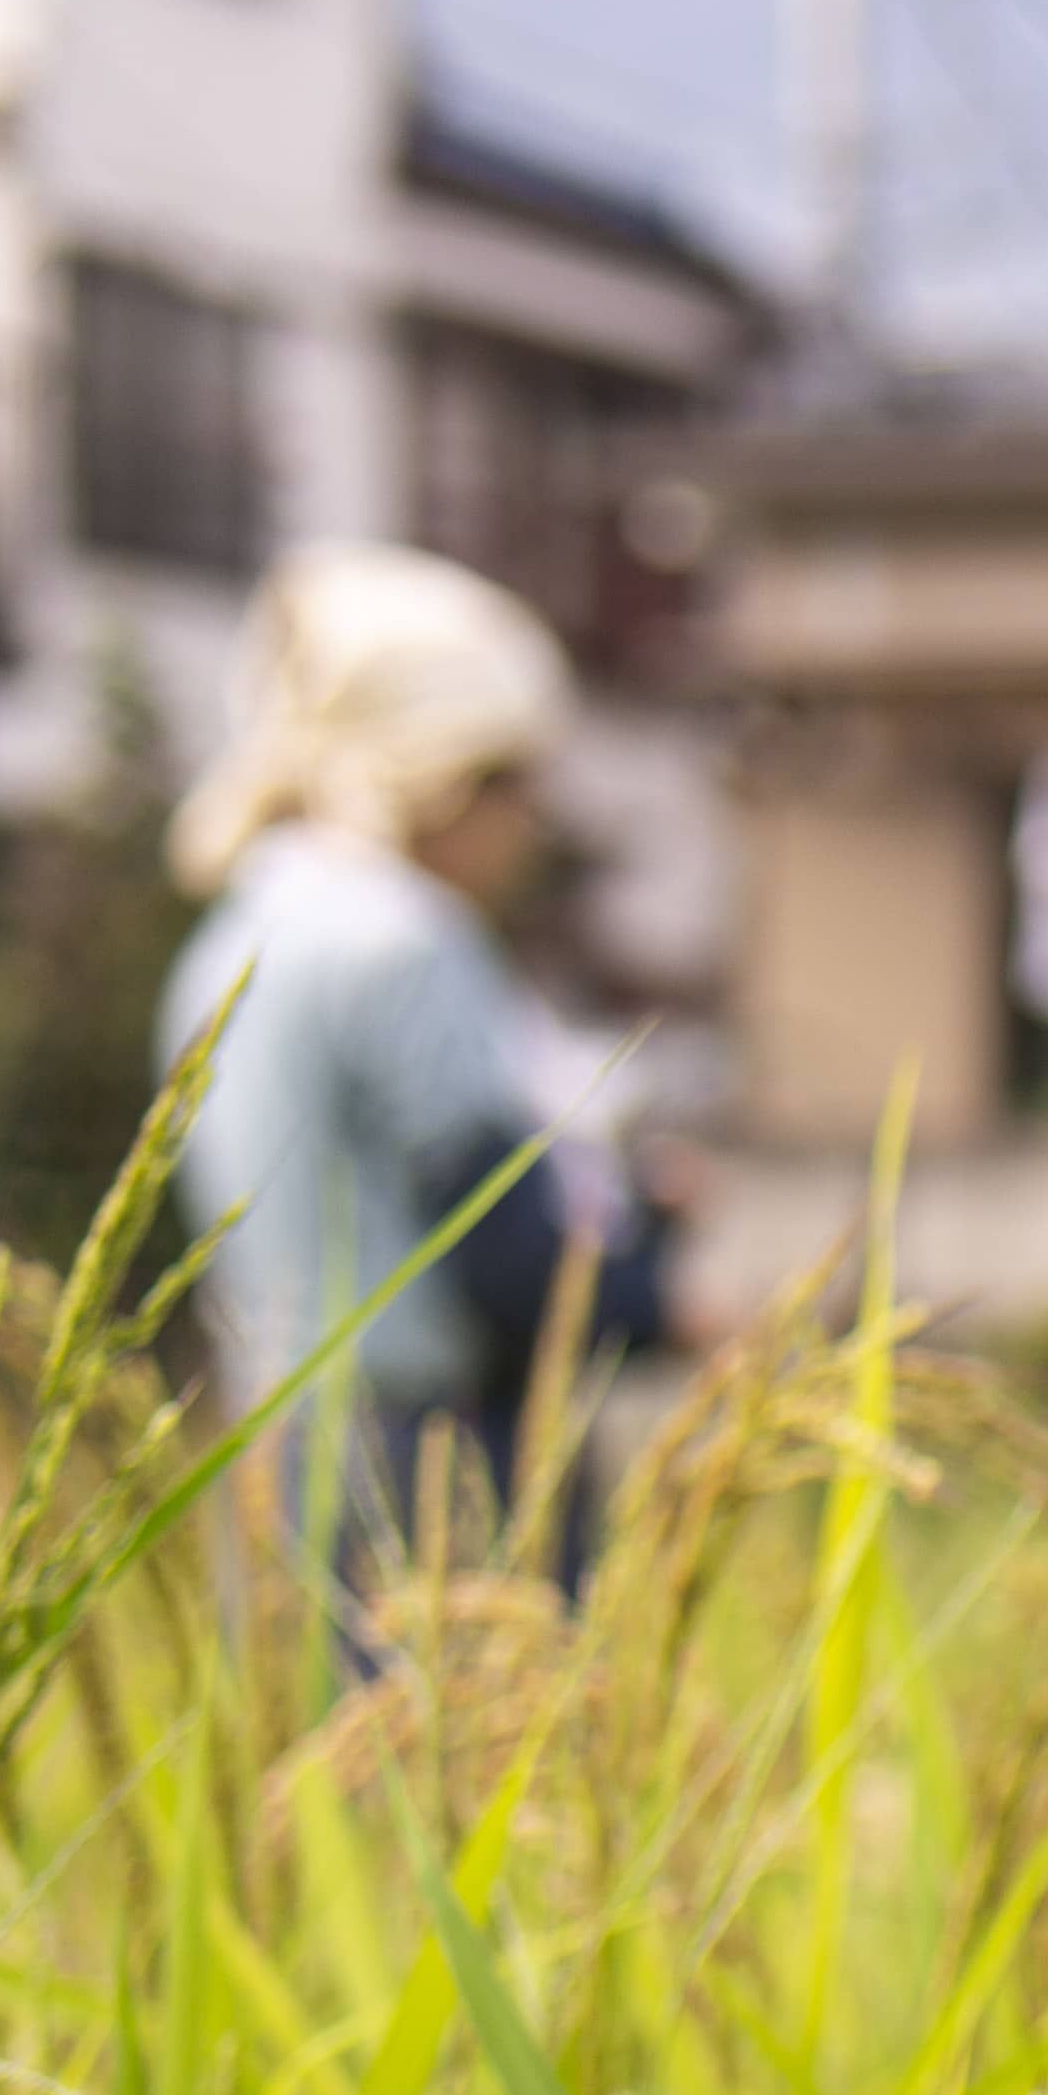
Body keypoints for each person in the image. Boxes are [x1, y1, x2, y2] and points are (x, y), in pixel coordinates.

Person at [155, 546, 639, 1596]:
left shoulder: (225, 942)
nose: (530, 826)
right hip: (429, 1460)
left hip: (274, 1448)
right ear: (443, 779)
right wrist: (669, 1298)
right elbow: (505, 1246)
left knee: (313, 1752)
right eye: (517, 785)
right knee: (471, 1753)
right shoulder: (406, 941)